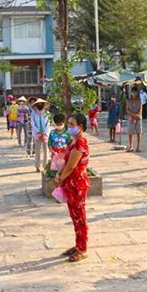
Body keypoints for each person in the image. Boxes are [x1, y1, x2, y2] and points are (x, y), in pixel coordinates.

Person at [55, 113, 91, 263]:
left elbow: (71, 165)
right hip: (70, 183)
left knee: (80, 217)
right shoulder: (72, 142)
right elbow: (65, 161)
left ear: (80, 126)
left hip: (78, 184)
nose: (69, 127)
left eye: (71, 124)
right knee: (74, 216)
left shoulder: (80, 143)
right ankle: (78, 245)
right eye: (68, 124)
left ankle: (82, 248)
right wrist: (58, 174)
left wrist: (61, 177)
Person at [31, 98, 50, 172]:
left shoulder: (46, 113)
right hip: (36, 134)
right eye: (38, 104)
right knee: (37, 151)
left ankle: (45, 166)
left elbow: (48, 124)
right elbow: (32, 124)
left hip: (45, 134)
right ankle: (37, 166)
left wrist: (44, 133)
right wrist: (38, 132)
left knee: (46, 151)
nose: (40, 105)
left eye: (41, 104)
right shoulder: (33, 114)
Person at [126, 86, 143, 152]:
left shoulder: (139, 100)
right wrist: (133, 115)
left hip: (138, 117)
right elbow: (127, 109)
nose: (134, 93)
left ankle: (138, 147)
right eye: (133, 92)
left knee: (139, 132)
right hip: (131, 117)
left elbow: (140, 109)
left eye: (135, 92)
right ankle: (131, 146)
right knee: (130, 132)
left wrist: (137, 115)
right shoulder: (128, 100)